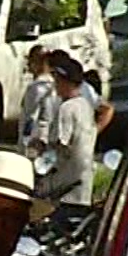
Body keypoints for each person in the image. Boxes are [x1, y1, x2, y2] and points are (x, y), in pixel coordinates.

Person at [45, 52, 97, 209]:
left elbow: (61, 143)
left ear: (66, 82)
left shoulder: (66, 108)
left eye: (58, 81)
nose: (56, 85)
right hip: (84, 182)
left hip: (66, 187)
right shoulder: (85, 106)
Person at [18, 46, 56, 154]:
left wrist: (25, 140)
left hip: (35, 137)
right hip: (49, 134)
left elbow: (30, 116)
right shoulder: (55, 84)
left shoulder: (37, 88)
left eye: (31, 60)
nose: (28, 64)